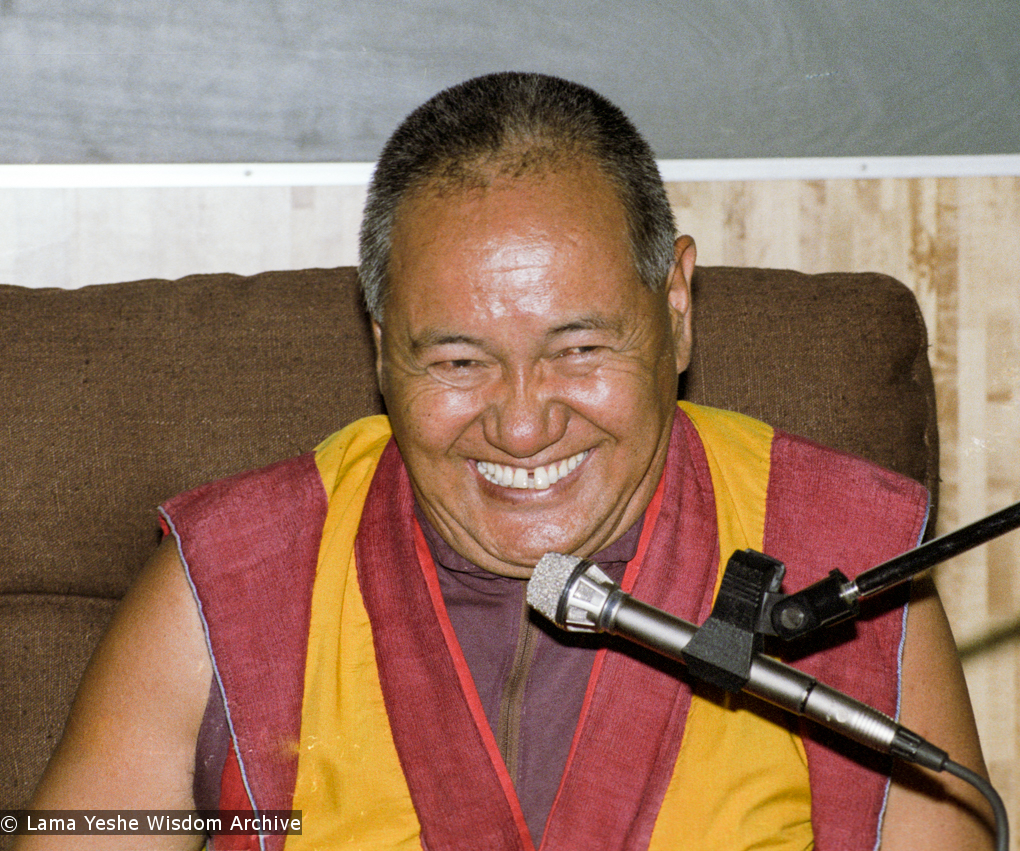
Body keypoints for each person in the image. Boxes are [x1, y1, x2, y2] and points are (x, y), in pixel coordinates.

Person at [17, 72, 992, 850]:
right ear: (380, 346)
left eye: (579, 348)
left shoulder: (839, 559)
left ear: (677, 305)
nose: (522, 427)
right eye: (458, 359)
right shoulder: (230, 579)